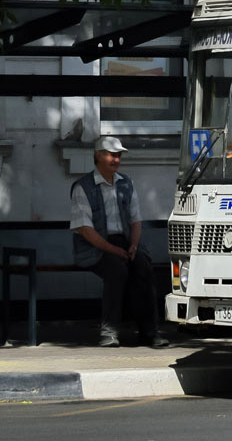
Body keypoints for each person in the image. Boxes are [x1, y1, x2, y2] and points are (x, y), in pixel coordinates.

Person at [69, 137, 167, 348]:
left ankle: (150, 331)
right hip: (95, 246)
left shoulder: (126, 183)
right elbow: (85, 230)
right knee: (116, 269)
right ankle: (109, 332)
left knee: (143, 266)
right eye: (111, 154)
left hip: (124, 241)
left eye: (119, 155)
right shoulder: (82, 187)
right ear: (97, 156)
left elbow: (136, 220)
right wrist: (115, 250)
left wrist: (133, 246)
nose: (116, 159)